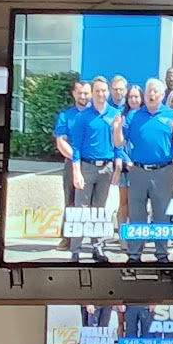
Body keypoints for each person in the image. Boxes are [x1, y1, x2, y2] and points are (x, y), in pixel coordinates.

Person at [115, 77, 173, 263]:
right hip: (138, 171)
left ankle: (162, 254)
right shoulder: (133, 116)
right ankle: (134, 255)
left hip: (163, 171)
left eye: (155, 92)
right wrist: (116, 129)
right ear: (144, 95)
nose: (151, 95)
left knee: (162, 214)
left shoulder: (171, 115)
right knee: (137, 214)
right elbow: (119, 142)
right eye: (148, 92)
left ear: (162, 95)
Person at [67, 75, 120, 259]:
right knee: (81, 210)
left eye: (104, 90)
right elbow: (75, 146)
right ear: (92, 93)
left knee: (100, 210)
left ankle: (97, 248)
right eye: (97, 91)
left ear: (108, 92)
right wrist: (76, 172)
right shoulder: (83, 116)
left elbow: (118, 144)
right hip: (87, 167)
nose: (101, 94)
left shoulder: (115, 114)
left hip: (107, 168)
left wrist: (117, 167)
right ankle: (75, 251)